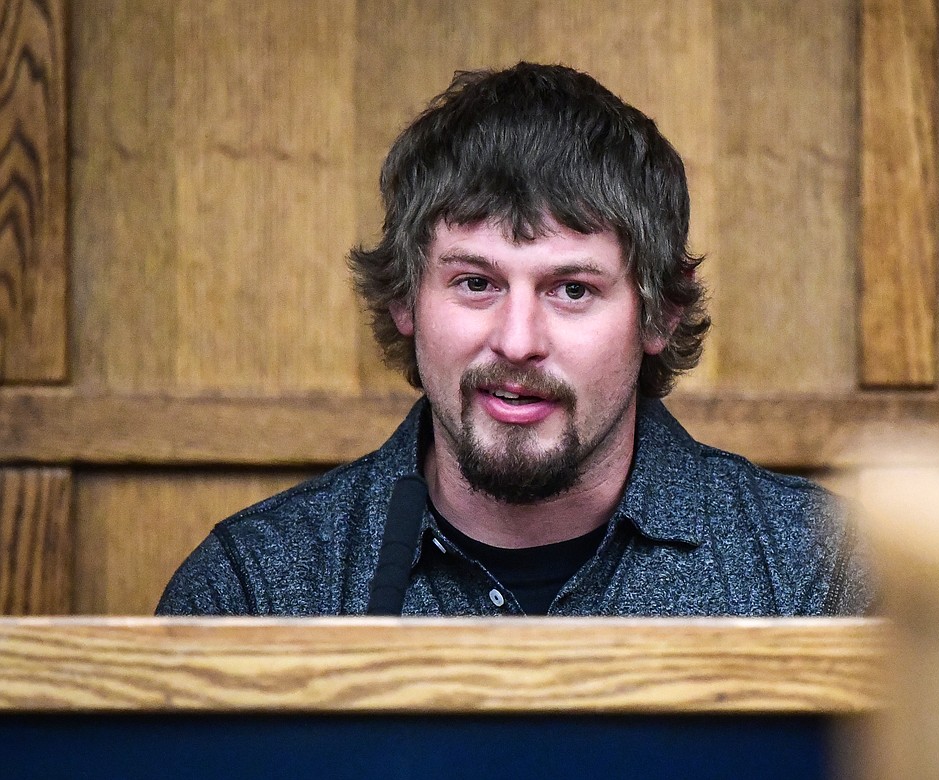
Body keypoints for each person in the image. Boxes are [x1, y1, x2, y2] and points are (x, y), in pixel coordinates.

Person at [157, 62, 869, 617]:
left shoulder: (820, 572)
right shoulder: (253, 588)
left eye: (572, 290)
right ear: (406, 298)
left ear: (659, 315)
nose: (518, 341)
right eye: (475, 283)